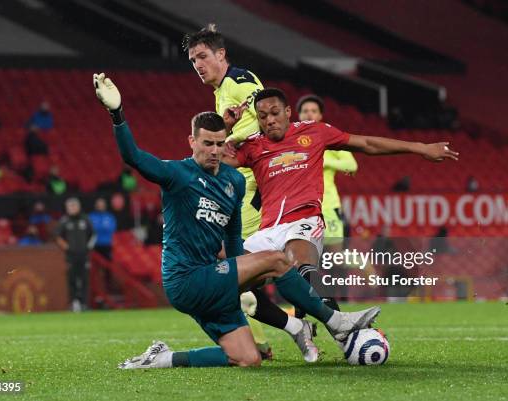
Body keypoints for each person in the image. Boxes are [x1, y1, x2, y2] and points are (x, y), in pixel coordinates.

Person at [94, 73, 381, 368]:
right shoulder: (177, 174)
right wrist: (117, 113)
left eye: (220, 144)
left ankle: (163, 358)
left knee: (246, 358)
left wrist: (243, 274)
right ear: (192, 141)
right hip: (186, 279)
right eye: (207, 143)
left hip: (214, 280)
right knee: (278, 260)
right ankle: (336, 322)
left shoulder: (233, 181)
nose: (215, 151)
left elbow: (232, 239)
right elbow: (133, 157)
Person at [223, 87, 458, 327]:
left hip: (304, 221)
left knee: (301, 266)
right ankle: (295, 328)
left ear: (287, 111)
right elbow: (211, 161)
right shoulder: (252, 146)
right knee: (227, 280)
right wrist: (226, 128)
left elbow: (366, 143)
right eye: (262, 116)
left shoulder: (314, 132)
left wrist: (421, 148)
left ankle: (348, 336)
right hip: (267, 231)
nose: (269, 120)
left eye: (274, 113)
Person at [184, 24, 271, 357]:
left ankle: (317, 319)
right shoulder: (222, 92)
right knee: (235, 264)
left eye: (203, 56)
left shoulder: (237, 80)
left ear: (221, 55)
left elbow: (263, 111)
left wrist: (233, 144)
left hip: (250, 183)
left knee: (235, 263)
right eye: (193, 60)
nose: (198, 65)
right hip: (241, 184)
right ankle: (262, 338)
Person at [296, 94, 357, 313]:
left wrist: (318, 156)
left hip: (328, 207)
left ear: (320, 115)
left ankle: (340, 301)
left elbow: (352, 163)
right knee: (306, 259)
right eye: (305, 111)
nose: (309, 114)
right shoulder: (294, 138)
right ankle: (307, 306)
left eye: (313, 111)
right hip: (302, 208)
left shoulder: (329, 139)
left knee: (333, 258)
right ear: (298, 115)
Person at [55, 197, 96, 312]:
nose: (72, 208)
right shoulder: (64, 221)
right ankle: (73, 304)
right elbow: (57, 236)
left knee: (84, 280)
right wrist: (67, 247)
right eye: (70, 206)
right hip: (70, 256)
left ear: (78, 207)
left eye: (74, 206)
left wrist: (87, 247)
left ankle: (84, 304)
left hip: (84, 255)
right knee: (71, 279)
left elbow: (93, 235)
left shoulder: (85, 219)